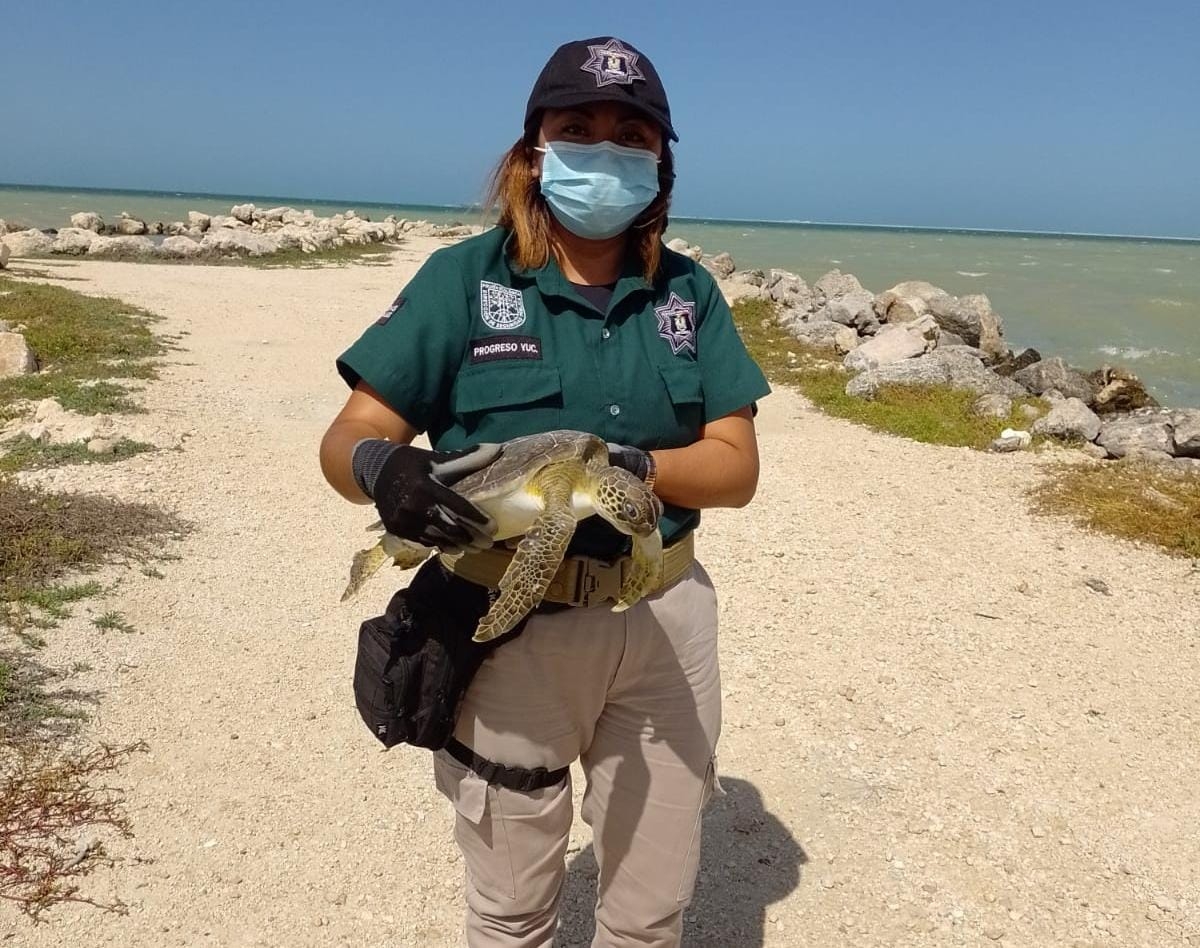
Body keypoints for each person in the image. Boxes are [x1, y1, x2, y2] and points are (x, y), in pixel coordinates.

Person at [320, 36, 770, 948]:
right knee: (512, 905)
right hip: (505, 622)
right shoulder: (462, 282)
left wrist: (638, 468)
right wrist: (382, 470)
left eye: (630, 134)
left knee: (650, 909)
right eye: (578, 128)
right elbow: (348, 436)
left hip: (664, 616)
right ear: (534, 152)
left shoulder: (689, 295)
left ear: (661, 162)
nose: (604, 150)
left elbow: (736, 466)